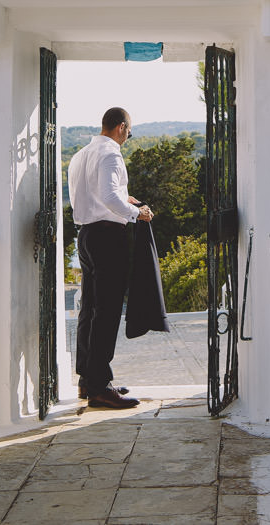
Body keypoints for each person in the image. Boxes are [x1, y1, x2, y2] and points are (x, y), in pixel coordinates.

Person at [68, 106, 154, 409]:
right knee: (106, 312)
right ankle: (100, 388)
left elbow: (90, 195)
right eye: (129, 131)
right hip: (107, 238)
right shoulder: (111, 154)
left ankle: (87, 379)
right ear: (120, 127)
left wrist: (121, 199)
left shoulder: (81, 155)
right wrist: (136, 211)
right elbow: (108, 197)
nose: (128, 136)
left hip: (87, 235)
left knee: (89, 308)